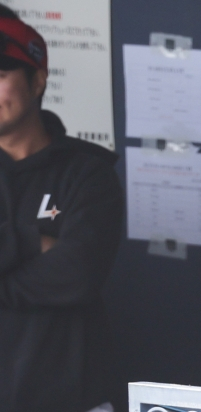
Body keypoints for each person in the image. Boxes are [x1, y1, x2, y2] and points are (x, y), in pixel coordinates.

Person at [0, 8, 123, 412]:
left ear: (37, 81)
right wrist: (33, 241)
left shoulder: (88, 172)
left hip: (72, 398)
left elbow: (78, 274)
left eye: (0, 74)